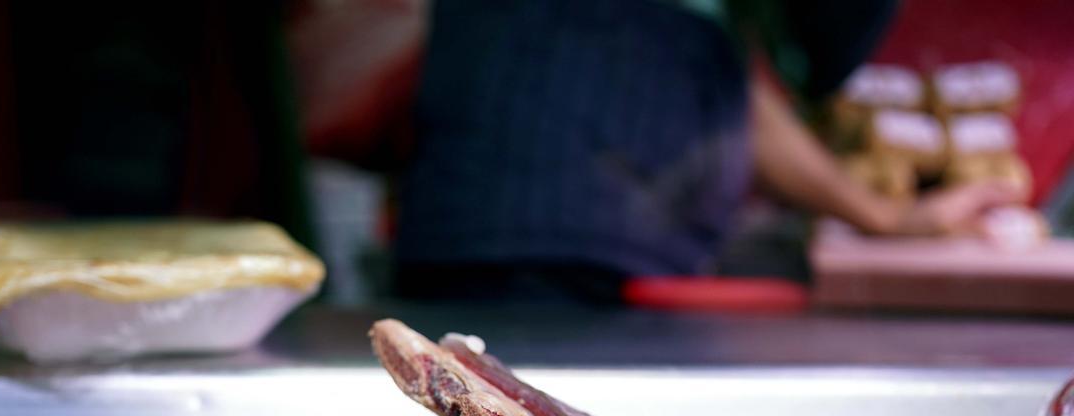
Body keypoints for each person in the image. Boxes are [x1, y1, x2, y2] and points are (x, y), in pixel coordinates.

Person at [394, 0, 1021, 303]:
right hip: (585, 266)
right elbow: (753, 116)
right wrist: (885, 217)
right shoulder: (659, 30)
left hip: (448, 235)